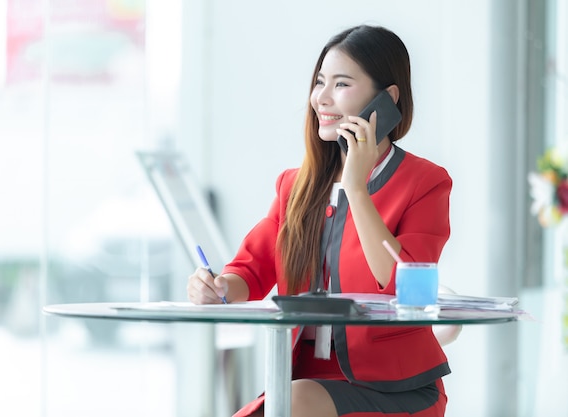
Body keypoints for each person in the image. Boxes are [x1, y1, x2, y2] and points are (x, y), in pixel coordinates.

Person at [187, 24, 452, 417]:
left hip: (394, 390)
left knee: (286, 407)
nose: (321, 99)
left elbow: (402, 282)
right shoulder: (294, 185)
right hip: (300, 383)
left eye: (341, 84)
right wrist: (218, 286)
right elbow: (251, 271)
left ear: (387, 99)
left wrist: (356, 189)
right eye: (319, 82)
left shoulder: (425, 182)